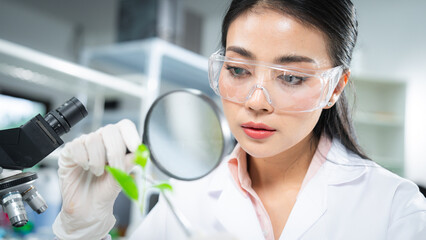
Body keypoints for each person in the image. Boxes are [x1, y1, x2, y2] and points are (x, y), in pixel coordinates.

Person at [53, 0, 426, 239]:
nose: (256, 102)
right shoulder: (187, 197)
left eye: (291, 77)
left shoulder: (395, 207)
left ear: (334, 88)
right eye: (238, 69)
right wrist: (82, 230)